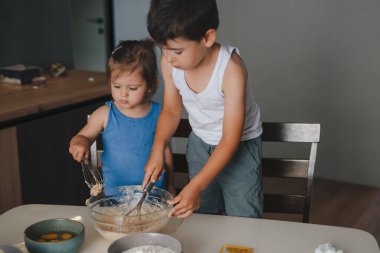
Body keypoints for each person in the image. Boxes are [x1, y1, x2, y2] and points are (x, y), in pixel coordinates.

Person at [143, 0, 263, 219]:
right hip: (200, 142)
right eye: (163, 49)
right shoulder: (171, 62)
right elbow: (171, 110)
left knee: (243, 216)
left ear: (207, 38)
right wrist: (157, 149)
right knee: (204, 212)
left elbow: (230, 139)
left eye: (177, 51)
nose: (168, 58)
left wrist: (195, 186)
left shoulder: (231, 70)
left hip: (239, 146)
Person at [69, 39, 175, 196]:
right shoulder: (105, 113)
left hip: (153, 194)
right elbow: (83, 136)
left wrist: (171, 186)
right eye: (116, 86)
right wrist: (79, 143)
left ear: (151, 85)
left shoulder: (160, 115)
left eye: (132, 88)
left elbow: (165, 152)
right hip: (114, 196)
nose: (123, 94)